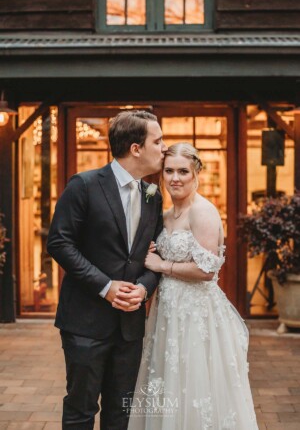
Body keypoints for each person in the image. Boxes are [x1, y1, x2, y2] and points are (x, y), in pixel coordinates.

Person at [47, 110, 168, 430]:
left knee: (121, 412)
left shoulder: (152, 195)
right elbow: (60, 243)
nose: (164, 148)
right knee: (81, 409)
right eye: (158, 141)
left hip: (129, 326)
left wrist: (143, 288)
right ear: (136, 148)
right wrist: (105, 286)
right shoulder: (84, 185)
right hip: (85, 321)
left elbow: (155, 255)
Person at [128, 143, 258, 430]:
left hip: (196, 314)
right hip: (167, 314)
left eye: (183, 171)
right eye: (169, 171)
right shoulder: (166, 216)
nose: (175, 178)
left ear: (196, 173)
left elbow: (206, 270)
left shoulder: (203, 212)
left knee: (195, 384)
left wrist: (162, 265)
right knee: (168, 380)